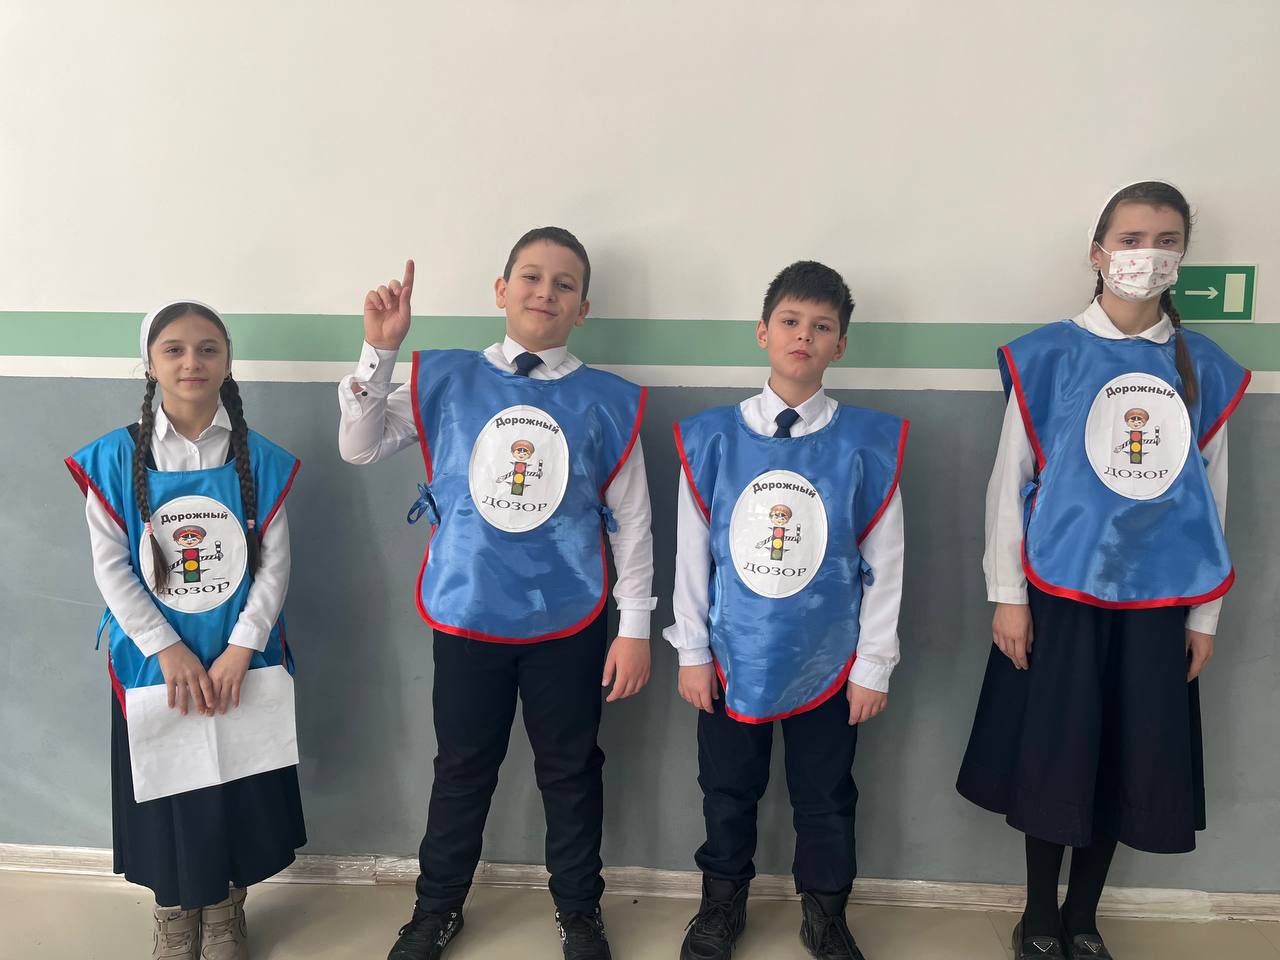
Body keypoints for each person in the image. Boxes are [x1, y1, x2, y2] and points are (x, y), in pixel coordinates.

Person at [956, 181, 1251, 960]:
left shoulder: (1203, 367)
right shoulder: (1048, 356)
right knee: (1056, 754)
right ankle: (1038, 915)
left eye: (1165, 240)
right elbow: (1009, 483)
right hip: (1060, 590)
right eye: (1130, 239)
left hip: (1160, 601)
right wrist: (1007, 595)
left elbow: (1213, 500)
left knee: (1126, 753)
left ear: (1182, 257)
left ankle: (1083, 914)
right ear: (1097, 252)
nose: (1146, 255)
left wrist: (1205, 616)